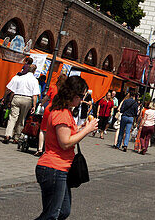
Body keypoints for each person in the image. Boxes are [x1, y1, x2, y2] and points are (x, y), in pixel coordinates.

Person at [34, 75, 97, 220]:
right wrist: (86, 131)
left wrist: (81, 128)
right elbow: (65, 143)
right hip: (54, 167)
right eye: (81, 96)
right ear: (72, 94)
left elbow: (66, 135)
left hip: (60, 168)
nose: (81, 100)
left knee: (63, 211)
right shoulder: (62, 113)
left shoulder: (65, 111)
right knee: (51, 215)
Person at [4, 64, 41, 144]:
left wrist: (8, 100)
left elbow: (11, 90)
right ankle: (16, 137)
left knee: (12, 117)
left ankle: (8, 134)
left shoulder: (19, 78)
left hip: (17, 97)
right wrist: (34, 106)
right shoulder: (34, 81)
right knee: (22, 118)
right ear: (34, 71)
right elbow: (35, 95)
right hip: (27, 99)